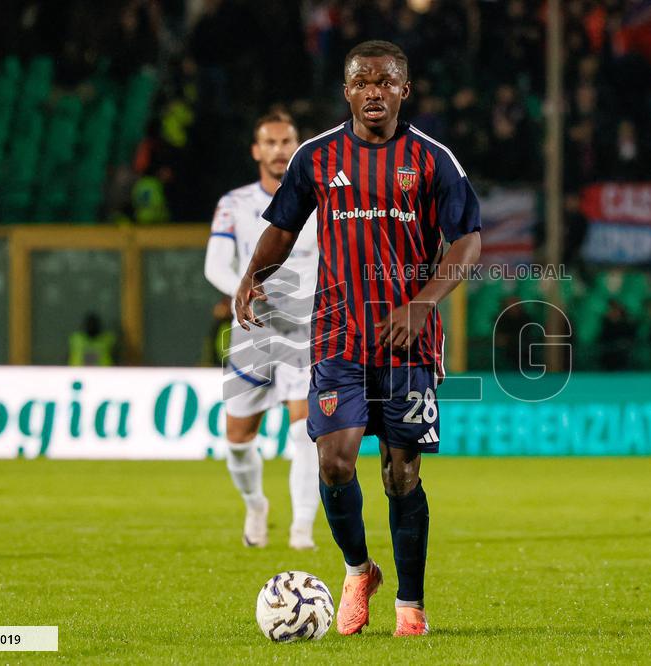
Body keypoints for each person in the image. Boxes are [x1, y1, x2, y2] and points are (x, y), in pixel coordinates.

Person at [234, 40, 482, 637]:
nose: (374, 90)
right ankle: (357, 569)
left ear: (404, 89)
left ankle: (410, 605)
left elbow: (468, 242)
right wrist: (252, 277)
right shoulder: (317, 157)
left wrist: (423, 305)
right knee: (336, 462)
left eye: (386, 81)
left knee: (402, 475)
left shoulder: (432, 160)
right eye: (363, 81)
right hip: (340, 338)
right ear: (347, 91)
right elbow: (283, 227)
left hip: (409, 344)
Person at [203, 110, 321, 551]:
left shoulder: (320, 201)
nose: (278, 150)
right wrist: (244, 289)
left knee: (304, 431)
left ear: (297, 146)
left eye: (286, 141)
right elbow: (215, 263)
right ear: (256, 151)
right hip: (252, 330)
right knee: (238, 440)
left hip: (306, 331)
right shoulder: (233, 204)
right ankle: (256, 504)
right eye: (269, 143)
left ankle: (301, 531)